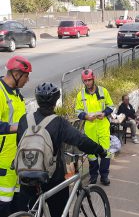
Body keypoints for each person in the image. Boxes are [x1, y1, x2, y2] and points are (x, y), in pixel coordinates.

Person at [15, 82, 107, 217]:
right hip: (53, 177)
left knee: (31, 210)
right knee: (59, 212)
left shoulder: (24, 119)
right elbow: (80, 140)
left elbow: (19, 143)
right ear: (55, 101)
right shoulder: (59, 122)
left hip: (26, 176)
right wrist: (99, 150)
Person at [0, 56, 31, 216]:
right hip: (3, 164)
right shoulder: (0, 92)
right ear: (17, 74)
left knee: (19, 209)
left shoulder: (17, 95)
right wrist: (15, 128)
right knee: (3, 207)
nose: (27, 80)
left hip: (18, 162)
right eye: (26, 76)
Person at [75, 69, 114, 186]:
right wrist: (86, 117)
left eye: (89, 80)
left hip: (103, 127)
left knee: (105, 153)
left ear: (93, 79)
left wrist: (104, 113)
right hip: (90, 128)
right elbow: (78, 111)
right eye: (85, 81)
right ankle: (93, 176)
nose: (87, 83)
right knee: (92, 154)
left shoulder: (103, 91)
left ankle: (104, 176)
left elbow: (111, 106)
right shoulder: (80, 95)